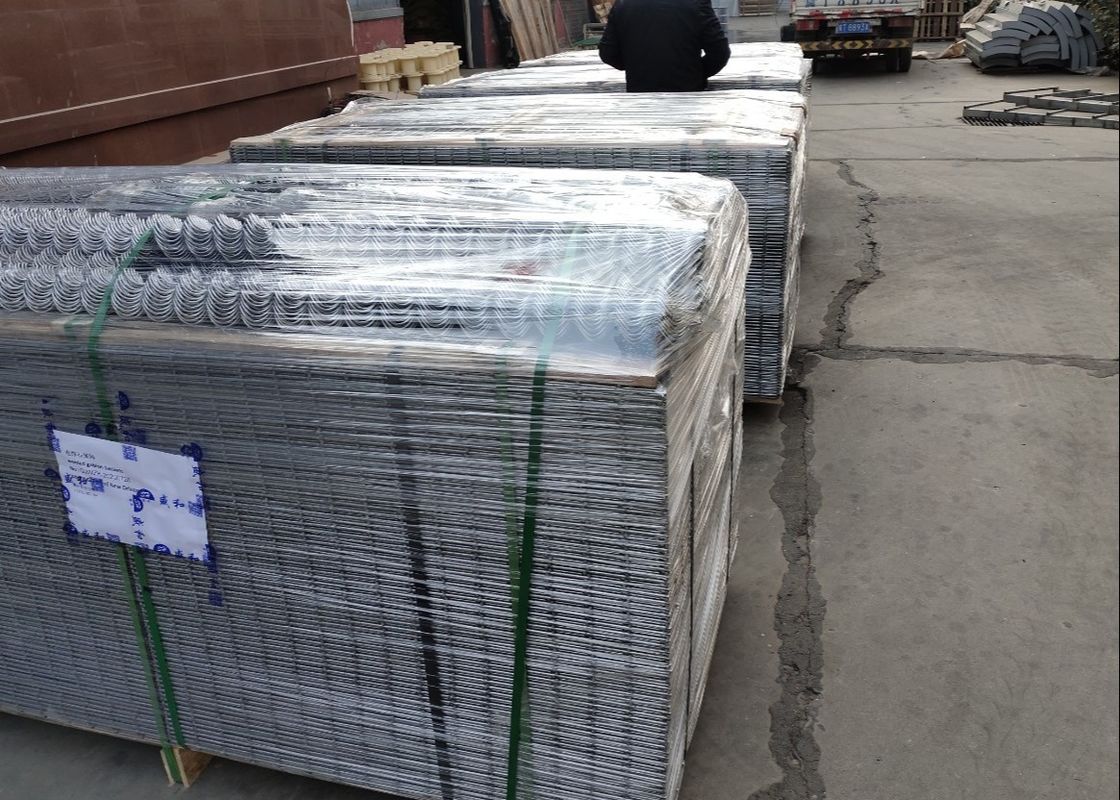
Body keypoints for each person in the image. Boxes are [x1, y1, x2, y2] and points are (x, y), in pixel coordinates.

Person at [598, 0, 732, 93]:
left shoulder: (623, 4)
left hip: (640, 96)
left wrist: (636, 67)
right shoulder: (696, 3)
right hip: (688, 95)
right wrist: (695, 74)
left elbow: (607, 53)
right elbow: (720, 52)